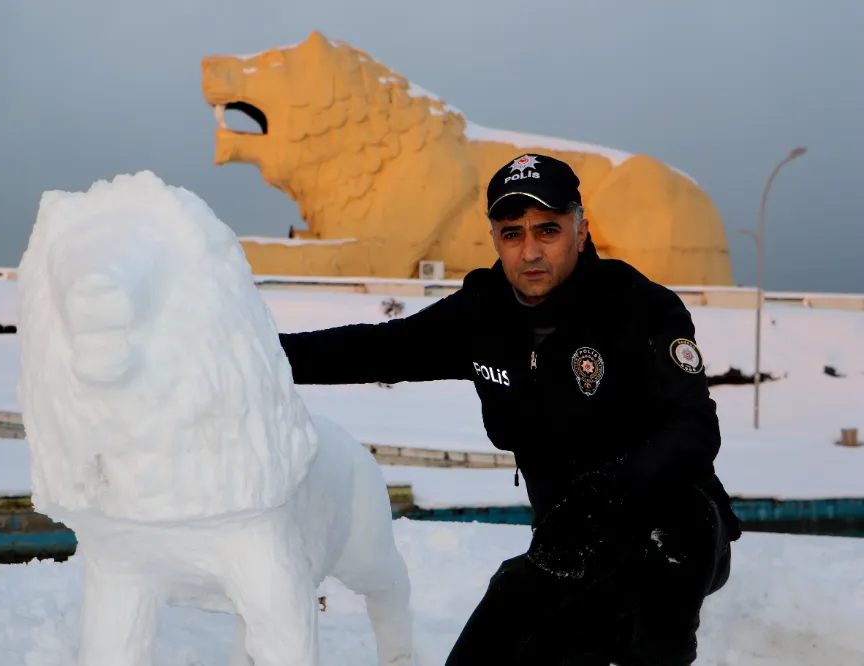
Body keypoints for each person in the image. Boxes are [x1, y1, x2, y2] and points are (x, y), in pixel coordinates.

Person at [277, 153, 741, 665]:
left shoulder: (641, 308)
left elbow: (695, 429)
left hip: (668, 532)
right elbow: (378, 347)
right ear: (496, 239)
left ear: (580, 231)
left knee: (675, 529)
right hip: (563, 549)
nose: (530, 251)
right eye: (512, 233)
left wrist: (605, 493)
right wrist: (258, 354)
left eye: (548, 230)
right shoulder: (482, 314)